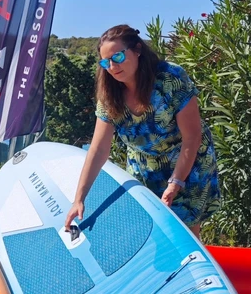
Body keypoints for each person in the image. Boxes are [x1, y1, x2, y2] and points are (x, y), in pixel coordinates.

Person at [63, 24, 221, 237]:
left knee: (184, 235)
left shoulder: (170, 78)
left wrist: (176, 182)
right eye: (105, 62)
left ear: (137, 50)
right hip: (145, 171)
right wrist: (79, 199)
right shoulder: (109, 95)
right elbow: (99, 150)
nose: (112, 67)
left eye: (117, 57)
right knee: (148, 234)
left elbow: (192, 137)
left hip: (188, 166)